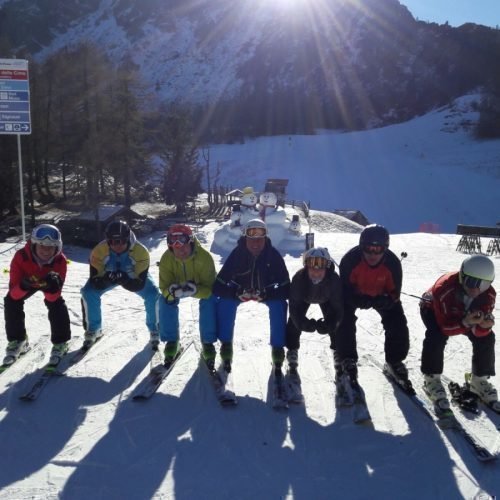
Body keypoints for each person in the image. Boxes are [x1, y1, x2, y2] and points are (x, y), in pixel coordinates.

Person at [420, 255, 498, 411]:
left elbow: (479, 332)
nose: (476, 289)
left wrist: (484, 327)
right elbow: (445, 328)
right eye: (471, 282)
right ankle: (431, 377)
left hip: (465, 315)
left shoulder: (488, 295)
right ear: (462, 276)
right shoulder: (444, 288)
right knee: (436, 335)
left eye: (483, 284)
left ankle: (479, 379)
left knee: (487, 337)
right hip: (433, 310)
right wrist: (466, 322)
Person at [213, 219, 290, 373]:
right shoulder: (237, 254)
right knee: (225, 303)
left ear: (266, 238)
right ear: (245, 238)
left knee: (279, 305)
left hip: (265, 292)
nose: (256, 243)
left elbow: (287, 287)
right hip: (239, 291)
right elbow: (218, 285)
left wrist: (268, 295)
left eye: (260, 239)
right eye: (251, 238)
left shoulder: (273, 255)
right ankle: (226, 345)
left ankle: (278, 349)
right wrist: (235, 293)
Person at [336, 224, 410, 384]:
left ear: (385, 249)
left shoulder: (393, 264)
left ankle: (394, 360)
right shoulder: (350, 260)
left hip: (380, 296)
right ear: (361, 247)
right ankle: (347, 358)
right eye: (368, 248)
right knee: (343, 318)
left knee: (397, 321)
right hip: (356, 295)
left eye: (378, 249)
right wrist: (355, 299)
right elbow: (344, 290)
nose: (372, 254)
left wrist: (384, 301)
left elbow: (394, 295)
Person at [80, 220, 160, 349]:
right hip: (108, 275)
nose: (117, 245)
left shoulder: (141, 252)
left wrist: (126, 280)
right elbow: (95, 282)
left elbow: (139, 285)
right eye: (112, 241)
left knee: (153, 294)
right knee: (88, 292)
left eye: (122, 240)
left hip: (132, 276)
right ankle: (94, 329)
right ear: (107, 240)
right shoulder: (99, 251)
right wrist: (105, 279)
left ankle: (155, 329)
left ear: (128, 238)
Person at [3, 224, 71, 366]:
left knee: (56, 303)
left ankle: (60, 342)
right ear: (34, 244)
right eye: (42, 245)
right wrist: (23, 285)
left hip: (47, 283)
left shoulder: (60, 261)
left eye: (50, 246)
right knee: (11, 301)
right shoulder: (20, 257)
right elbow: (14, 294)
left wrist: (51, 289)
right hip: (27, 283)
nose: (46, 250)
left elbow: (53, 296)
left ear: (56, 248)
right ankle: (18, 340)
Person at [158, 224, 217, 365]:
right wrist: (171, 292)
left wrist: (196, 291)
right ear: (170, 245)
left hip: (199, 287)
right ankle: (172, 341)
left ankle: (208, 341)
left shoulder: (204, 258)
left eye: (183, 245)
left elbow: (210, 289)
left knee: (210, 300)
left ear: (190, 241)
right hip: (177, 287)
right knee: (164, 301)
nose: (180, 249)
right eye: (176, 246)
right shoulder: (166, 259)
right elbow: (163, 288)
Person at [286, 247, 343, 373]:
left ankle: (338, 350)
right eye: (312, 266)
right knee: (293, 322)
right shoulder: (299, 279)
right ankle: (292, 349)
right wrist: (302, 323)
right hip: (304, 299)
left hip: (326, 300)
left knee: (336, 323)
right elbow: (294, 307)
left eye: (320, 266)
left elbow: (338, 308)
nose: (316, 270)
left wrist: (331, 324)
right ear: (306, 266)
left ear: (327, 267)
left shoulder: (334, 280)